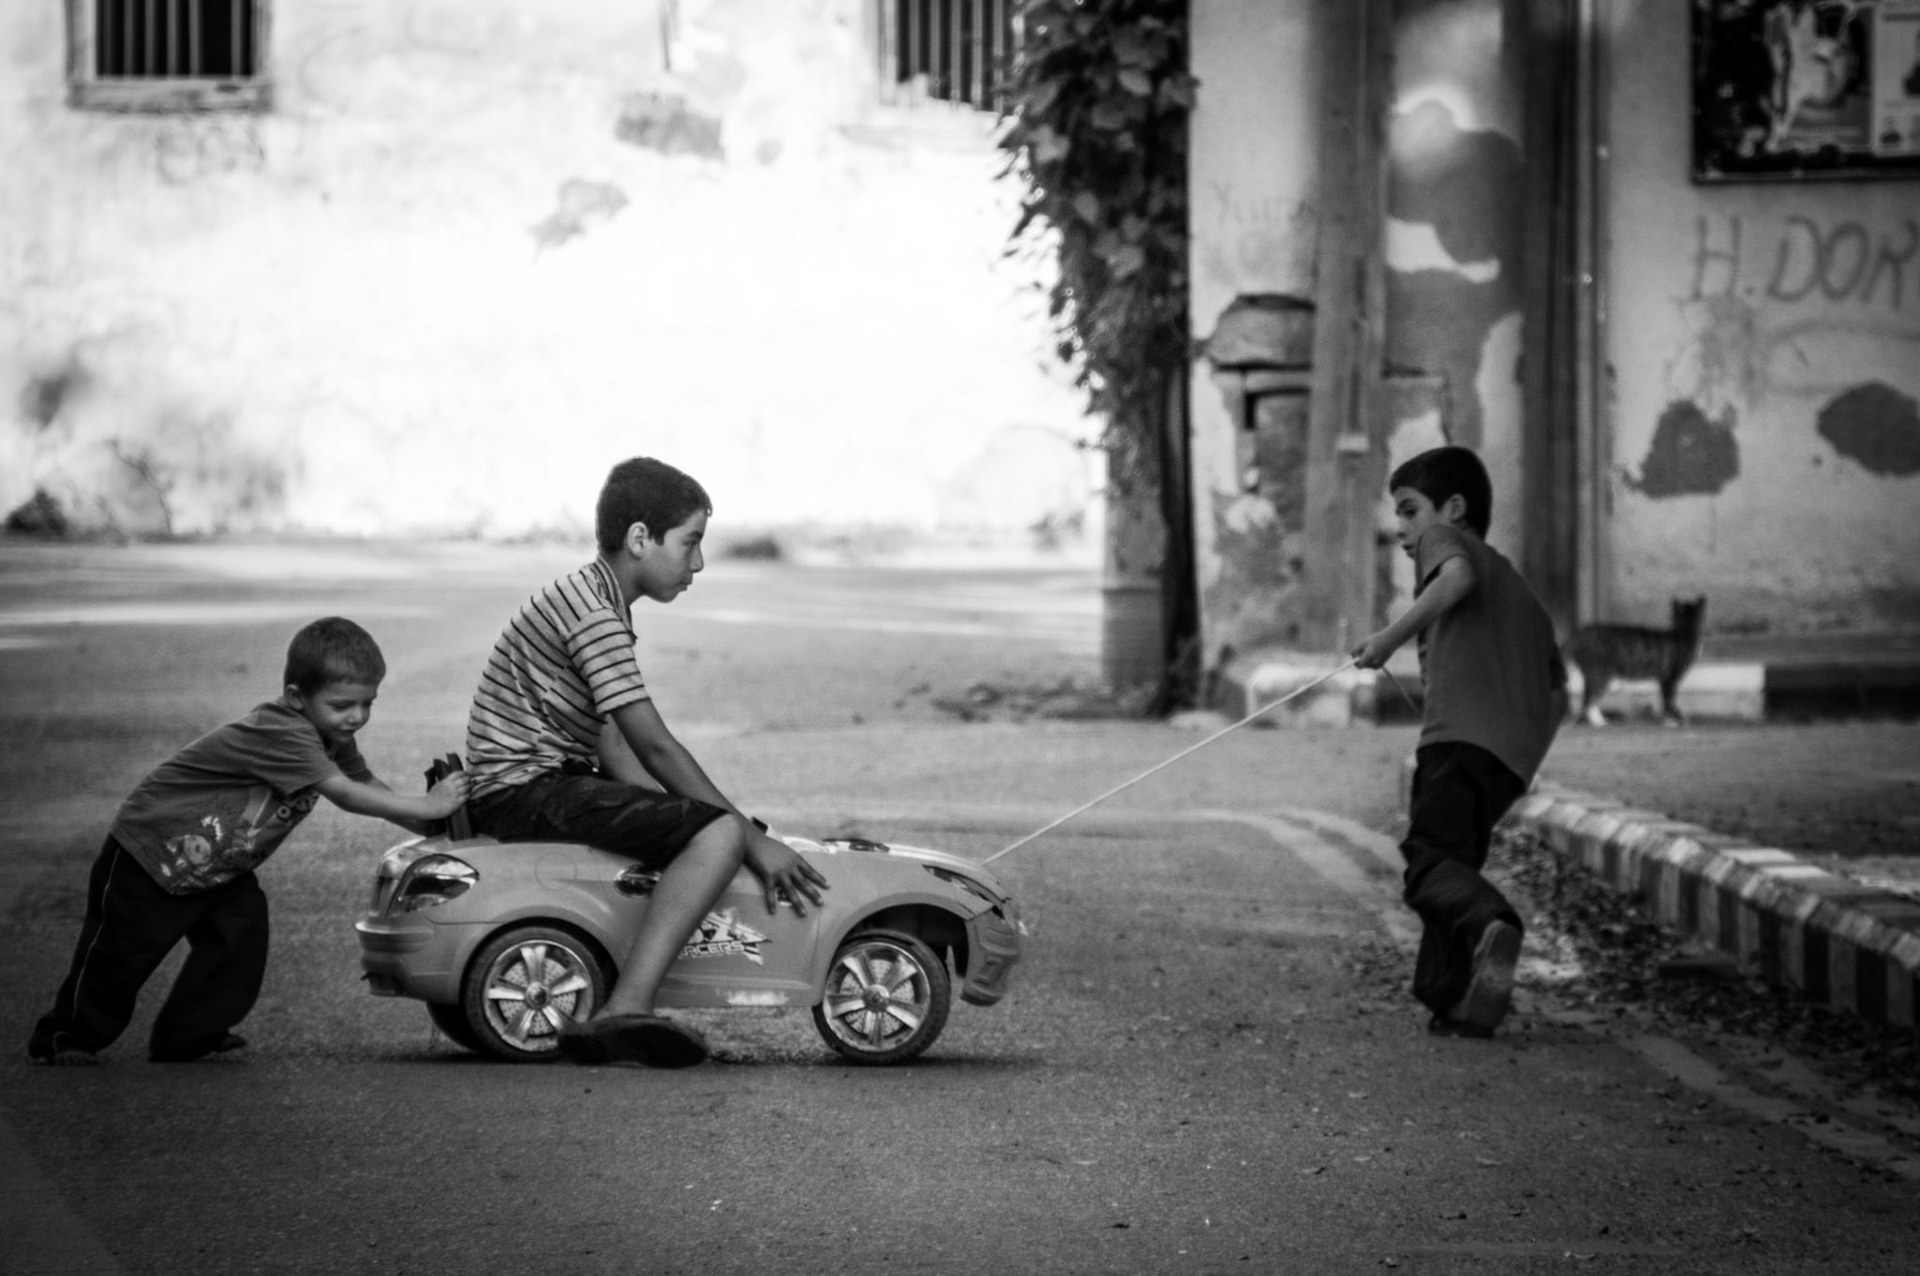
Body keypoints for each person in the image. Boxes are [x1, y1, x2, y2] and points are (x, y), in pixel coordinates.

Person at [463, 456, 828, 1068]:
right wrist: (747, 839)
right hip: (525, 788)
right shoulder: (596, 615)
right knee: (717, 835)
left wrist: (675, 817)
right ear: (640, 538)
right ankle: (627, 1006)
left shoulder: (593, 597)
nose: (698, 563)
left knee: (696, 826)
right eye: (690, 542)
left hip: (532, 782)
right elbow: (655, 746)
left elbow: (611, 744)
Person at [27, 618, 469, 1066]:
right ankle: (66, 1037)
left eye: (367, 703)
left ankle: (189, 1035)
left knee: (240, 938)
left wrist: (425, 824)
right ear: (296, 697)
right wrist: (429, 803)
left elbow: (366, 784)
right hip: (153, 853)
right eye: (342, 705)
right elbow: (346, 794)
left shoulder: (331, 737)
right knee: (119, 955)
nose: (356, 717)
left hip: (219, 869)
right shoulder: (285, 732)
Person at [1350, 446, 1566, 1038]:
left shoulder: (1448, 543)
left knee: (1428, 865)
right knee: (1452, 865)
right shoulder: (1521, 593)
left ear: (1453, 508)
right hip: (1507, 763)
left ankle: (1492, 920)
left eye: (1409, 510)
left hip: (1457, 743)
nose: (1402, 529)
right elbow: (1559, 690)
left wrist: (1388, 639)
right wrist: (1521, 760)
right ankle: (1456, 1002)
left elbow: (1458, 577)